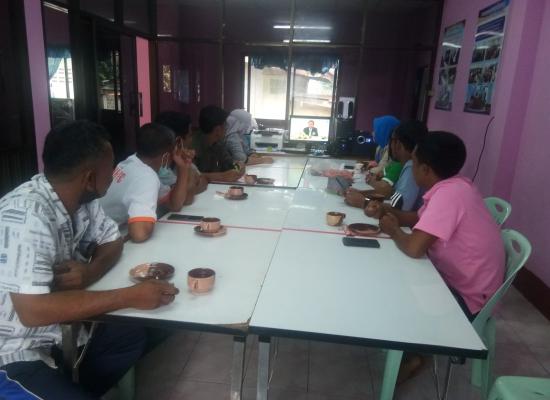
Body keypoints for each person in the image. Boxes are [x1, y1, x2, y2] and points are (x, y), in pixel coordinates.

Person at [0, 120, 179, 399]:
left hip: (60, 338)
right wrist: (128, 296)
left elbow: (113, 241)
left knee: (134, 334)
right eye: (110, 166)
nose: (115, 173)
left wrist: (89, 272)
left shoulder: (82, 200)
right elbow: (32, 311)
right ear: (89, 177)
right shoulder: (27, 215)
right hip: (15, 354)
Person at [366, 131, 505, 320]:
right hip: (460, 283)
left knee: (389, 294)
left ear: (425, 169)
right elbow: (418, 219)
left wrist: (393, 230)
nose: (411, 167)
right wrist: (384, 210)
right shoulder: (456, 184)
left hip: (467, 300)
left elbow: (414, 248)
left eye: (414, 162)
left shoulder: (449, 195)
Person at [100, 123, 194, 243]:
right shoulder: (146, 176)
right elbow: (140, 233)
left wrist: (183, 168)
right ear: (166, 156)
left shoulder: (131, 162)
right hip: (101, 242)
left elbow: (175, 204)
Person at [345, 120, 428, 212]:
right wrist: (362, 194)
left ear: (398, 144)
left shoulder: (411, 167)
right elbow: (393, 195)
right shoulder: (409, 164)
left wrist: (364, 202)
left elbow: (399, 208)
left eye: (391, 141)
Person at [154, 111, 209, 202]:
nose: (191, 140)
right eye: (190, 136)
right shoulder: (160, 168)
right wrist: (187, 164)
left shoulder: (177, 158)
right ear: (178, 141)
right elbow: (187, 197)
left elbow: (203, 181)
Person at [193, 105, 245, 182]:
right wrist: (221, 176)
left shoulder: (218, 144)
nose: (227, 128)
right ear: (217, 130)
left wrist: (239, 166)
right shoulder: (192, 147)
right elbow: (190, 176)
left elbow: (229, 164)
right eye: (225, 125)